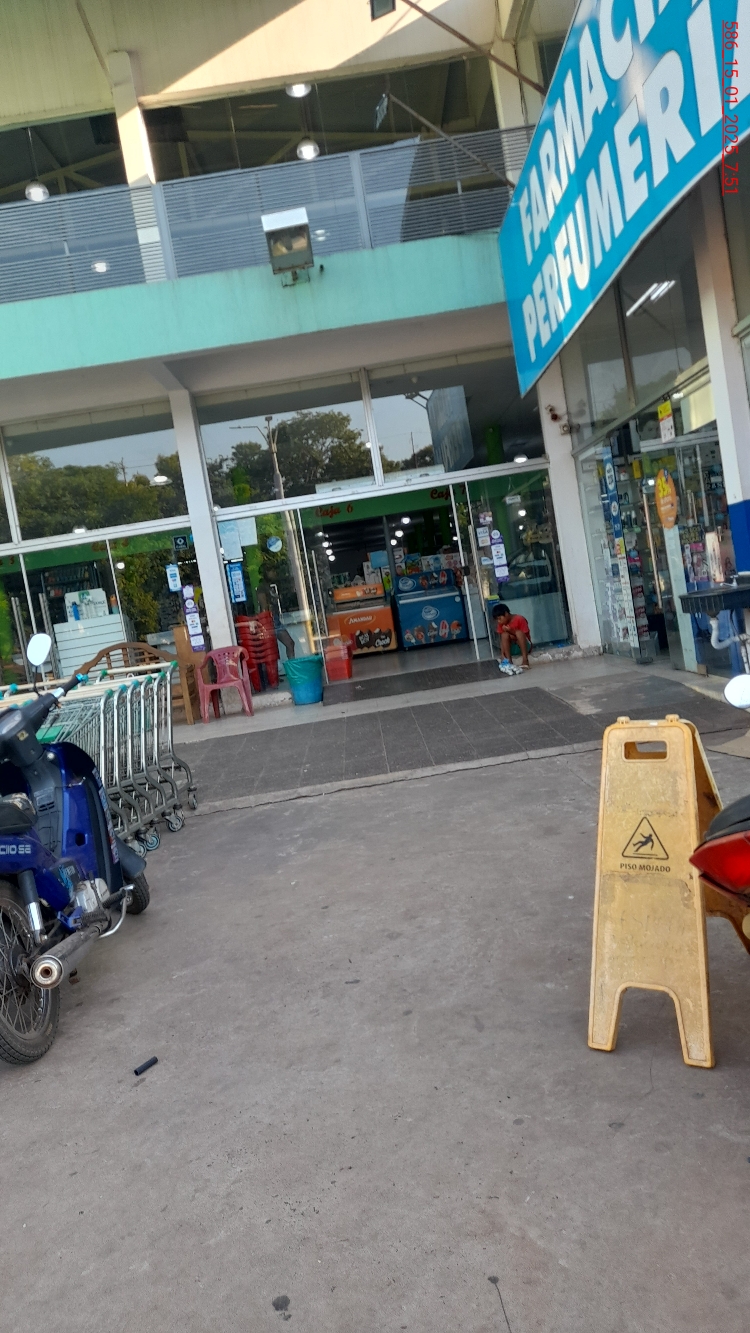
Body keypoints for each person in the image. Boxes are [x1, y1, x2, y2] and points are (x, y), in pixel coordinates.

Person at [255, 567, 296, 659]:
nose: (275, 573)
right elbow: (264, 607)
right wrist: (266, 624)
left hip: (274, 619)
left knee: (289, 643)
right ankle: (290, 665)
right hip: (270, 620)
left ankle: (291, 665)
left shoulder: (269, 587)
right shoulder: (262, 588)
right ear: (266, 572)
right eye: (272, 571)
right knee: (284, 645)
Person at [492, 603, 532, 675]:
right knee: (504, 635)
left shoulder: (520, 619)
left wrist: (511, 631)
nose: (499, 621)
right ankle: (509, 661)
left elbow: (524, 636)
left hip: (524, 647)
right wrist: (502, 654)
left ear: (506, 614)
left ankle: (525, 660)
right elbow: (502, 640)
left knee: (519, 633)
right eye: (497, 619)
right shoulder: (501, 624)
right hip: (511, 649)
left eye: (500, 618)